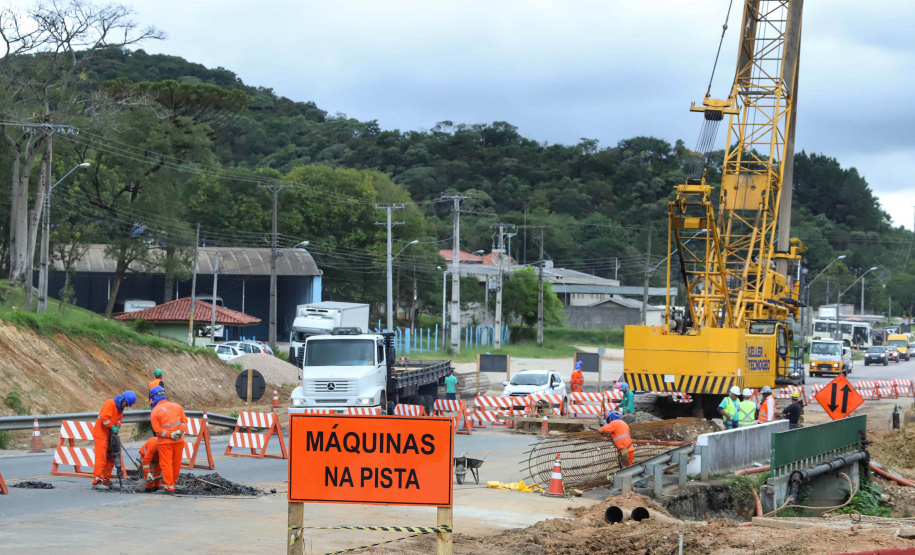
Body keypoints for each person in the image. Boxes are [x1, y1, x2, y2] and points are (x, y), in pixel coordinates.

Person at [91, 390, 137, 490]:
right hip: (100, 434)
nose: (126, 406)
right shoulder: (110, 403)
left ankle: (106, 479)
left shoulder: (120, 409)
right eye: (126, 404)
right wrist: (112, 426)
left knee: (111, 457)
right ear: (123, 399)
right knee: (101, 457)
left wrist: (117, 426)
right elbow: (104, 418)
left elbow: (119, 420)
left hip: (109, 435)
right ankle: (96, 481)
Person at [149, 386, 188, 495]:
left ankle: (169, 487)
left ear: (153, 398)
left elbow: (157, 430)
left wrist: (170, 435)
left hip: (165, 442)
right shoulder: (177, 406)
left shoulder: (155, 411)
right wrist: (179, 431)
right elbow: (184, 421)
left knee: (166, 464)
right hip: (179, 440)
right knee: (176, 463)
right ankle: (173, 485)